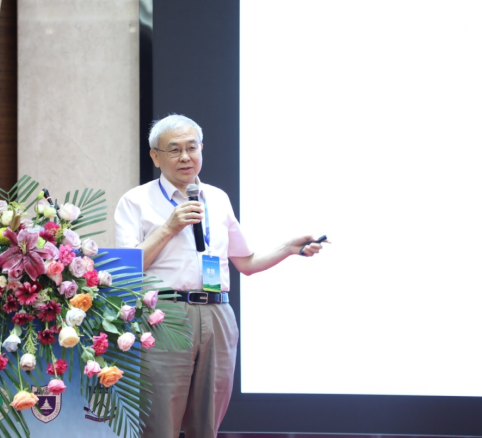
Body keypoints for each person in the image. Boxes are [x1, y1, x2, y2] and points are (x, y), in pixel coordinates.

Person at [114, 114, 325, 438]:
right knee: (159, 423)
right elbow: (126, 269)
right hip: (164, 315)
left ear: (202, 149)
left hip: (217, 313)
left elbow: (246, 262)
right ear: (155, 156)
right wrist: (169, 227)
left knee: (207, 424)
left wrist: (288, 248)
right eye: (174, 150)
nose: (185, 157)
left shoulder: (217, 198)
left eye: (192, 147)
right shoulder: (136, 201)